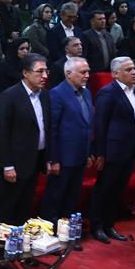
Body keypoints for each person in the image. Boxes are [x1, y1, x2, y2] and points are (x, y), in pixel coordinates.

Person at [0, 54, 53, 227]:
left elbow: (46, 128)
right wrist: (8, 165)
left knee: (25, 206)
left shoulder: (44, 95)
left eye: (46, 71)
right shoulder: (10, 96)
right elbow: (2, 133)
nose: (45, 76)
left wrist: (48, 158)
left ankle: (21, 241)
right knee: (7, 207)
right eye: (39, 71)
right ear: (25, 73)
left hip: (35, 160)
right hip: (15, 163)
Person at [89, 57, 135, 243]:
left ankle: (109, 225)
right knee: (104, 189)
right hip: (112, 151)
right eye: (128, 70)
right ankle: (96, 226)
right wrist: (100, 153)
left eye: (134, 69)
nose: (134, 72)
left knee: (118, 190)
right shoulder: (107, 93)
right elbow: (100, 125)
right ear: (115, 74)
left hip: (131, 150)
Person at [41, 57, 94, 227]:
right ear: (68, 73)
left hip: (80, 155)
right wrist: (53, 159)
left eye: (88, 71)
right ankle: (50, 231)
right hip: (63, 158)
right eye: (83, 72)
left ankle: (68, 231)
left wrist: (88, 153)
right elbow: (53, 129)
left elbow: (87, 125)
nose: (87, 75)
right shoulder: (56, 93)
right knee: (55, 198)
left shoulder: (86, 92)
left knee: (73, 197)